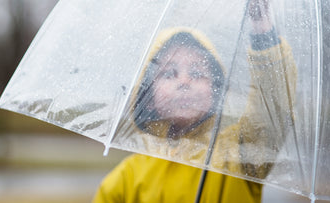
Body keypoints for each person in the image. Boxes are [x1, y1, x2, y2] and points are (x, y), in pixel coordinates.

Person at [93, 0, 297, 202]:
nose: (184, 81)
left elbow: (272, 108)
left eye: (198, 73)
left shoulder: (239, 155)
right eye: (170, 73)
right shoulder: (124, 181)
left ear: (214, 92)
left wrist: (262, 29)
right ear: (148, 99)